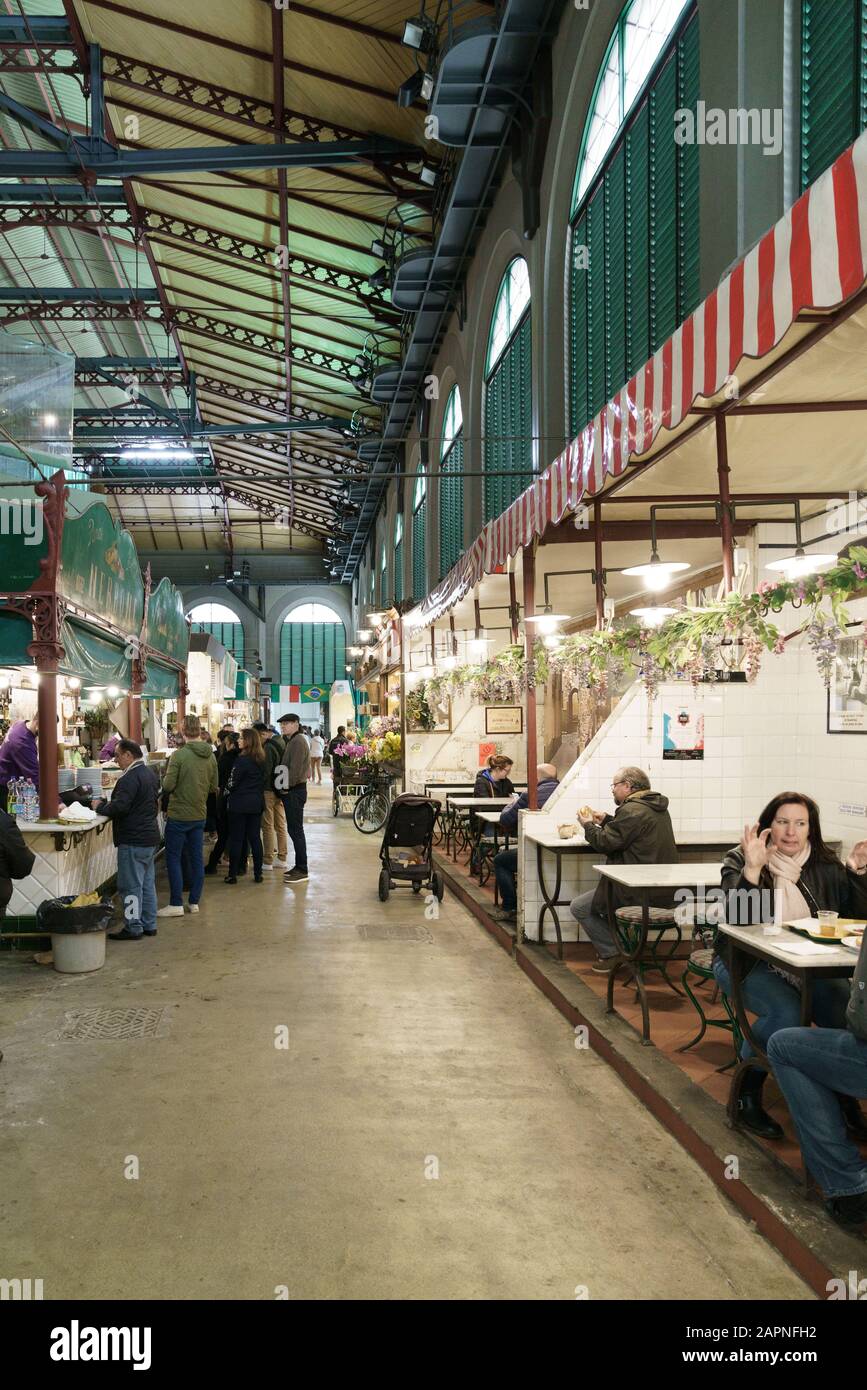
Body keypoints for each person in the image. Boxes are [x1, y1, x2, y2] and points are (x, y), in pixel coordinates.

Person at [713, 793, 867, 1140]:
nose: (790, 831)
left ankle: (840, 1093)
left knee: (845, 1012)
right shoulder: (740, 858)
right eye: (783, 821)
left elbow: (856, 921)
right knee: (786, 1011)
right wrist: (752, 870)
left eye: (800, 823)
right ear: (769, 823)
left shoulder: (825, 864)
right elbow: (739, 922)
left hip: (809, 963)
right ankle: (746, 1094)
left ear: (811, 828)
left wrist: (856, 875)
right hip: (746, 961)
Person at [767, 928, 867, 1232]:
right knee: (788, 1009)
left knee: (783, 1046)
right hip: (763, 967)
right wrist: (751, 878)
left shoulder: (827, 876)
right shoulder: (738, 878)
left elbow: (861, 1022)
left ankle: (848, 1185)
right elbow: (739, 920)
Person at [567, 767, 678, 974]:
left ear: (627, 786)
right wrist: (608, 820)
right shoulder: (655, 806)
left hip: (635, 888)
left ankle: (614, 953)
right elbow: (631, 832)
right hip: (660, 885)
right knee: (603, 903)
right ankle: (631, 948)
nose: (613, 791)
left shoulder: (631, 810)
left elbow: (605, 843)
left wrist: (588, 825)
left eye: (614, 785)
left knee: (580, 907)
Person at [96, 739, 160, 941]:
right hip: (149, 837)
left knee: (130, 886)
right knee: (147, 884)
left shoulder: (129, 778)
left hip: (133, 840)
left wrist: (99, 807)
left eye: (117, 755)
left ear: (128, 755)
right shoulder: (149, 773)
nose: (115, 760)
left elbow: (120, 807)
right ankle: (150, 924)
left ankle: (133, 926)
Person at [158, 714, 219, 918]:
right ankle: (194, 902)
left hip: (178, 814)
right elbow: (213, 786)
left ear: (183, 731)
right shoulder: (210, 756)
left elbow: (167, 786)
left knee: (174, 858)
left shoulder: (179, 755)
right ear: (200, 730)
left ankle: (176, 902)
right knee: (196, 858)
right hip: (199, 813)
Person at [492, 764, 560, 923]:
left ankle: (510, 907)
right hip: (558, 849)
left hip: (535, 849)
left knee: (500, 860)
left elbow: (505, 820)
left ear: (536, 778)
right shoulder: (565, 793)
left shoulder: (530, 794)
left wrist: (511, 804)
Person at [225, 727, 266, 884]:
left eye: (241, 738)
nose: (238, 741)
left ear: (248, 741)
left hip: (239, 804)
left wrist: (226, 791)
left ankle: (233, 874)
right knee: (255, 838)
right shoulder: (261, 759)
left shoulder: (241, 761)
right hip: (255, 803)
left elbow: (232, 782)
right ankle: (258, 873)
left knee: (237, 839)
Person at [277, 712, 310, 884]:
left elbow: (295, 770)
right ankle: (299, 866)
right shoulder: (293, 741)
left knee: (296, 830)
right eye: (282, 724)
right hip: (293, 790)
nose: (283, 726)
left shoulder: (298, 741)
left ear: (296, 724)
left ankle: (302, 868)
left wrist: (286, 788)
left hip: (295, 791)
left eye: (287, 723)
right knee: (294, 829)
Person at [254, 722, 288, 870]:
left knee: (267, 825)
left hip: (268, 789)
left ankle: (267, 860)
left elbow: (266, 771)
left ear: (265, 733)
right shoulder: (283, 742)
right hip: (280, 788)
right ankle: (282, 858)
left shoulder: (268, 747)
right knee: (280, 824)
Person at [205, 731, 240, 874]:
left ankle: (213, 863)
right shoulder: (245, 758)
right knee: (238, 836)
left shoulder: (224, 759)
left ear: (230, 744)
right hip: (239, 801)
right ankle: (238, 866)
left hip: (224, 800)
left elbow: (217, 782)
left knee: (224, 834)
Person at [0, 713, 39, 812]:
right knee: (18, 815)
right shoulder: (22, 742)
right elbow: (34, 777)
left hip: (8, 785)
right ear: (38, 724)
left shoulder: (20, 725)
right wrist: (57, 802)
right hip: (6, 790)